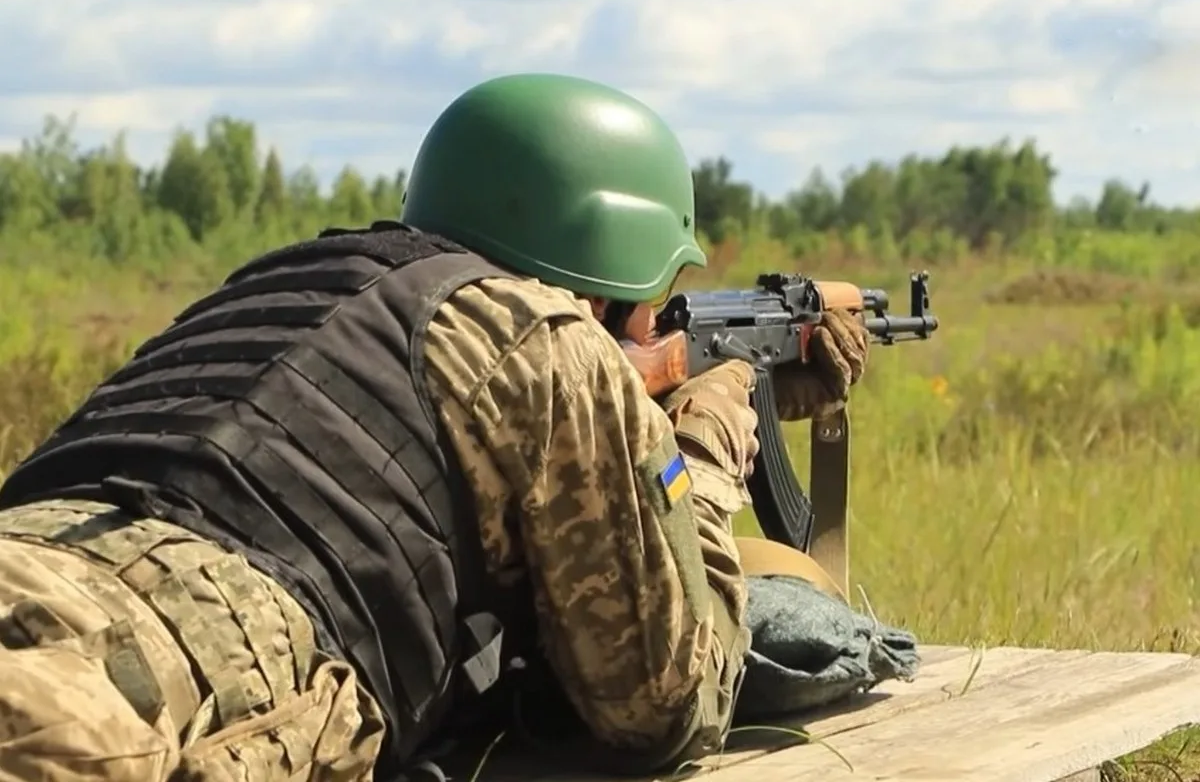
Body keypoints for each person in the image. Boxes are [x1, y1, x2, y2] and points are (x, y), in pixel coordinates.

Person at [0, 73, 869, 781]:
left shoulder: (282, 285)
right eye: (652, 308)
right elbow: (665, 702)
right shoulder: (553, 343)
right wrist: (705, 445)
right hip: (130, 673)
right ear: (610, 277)